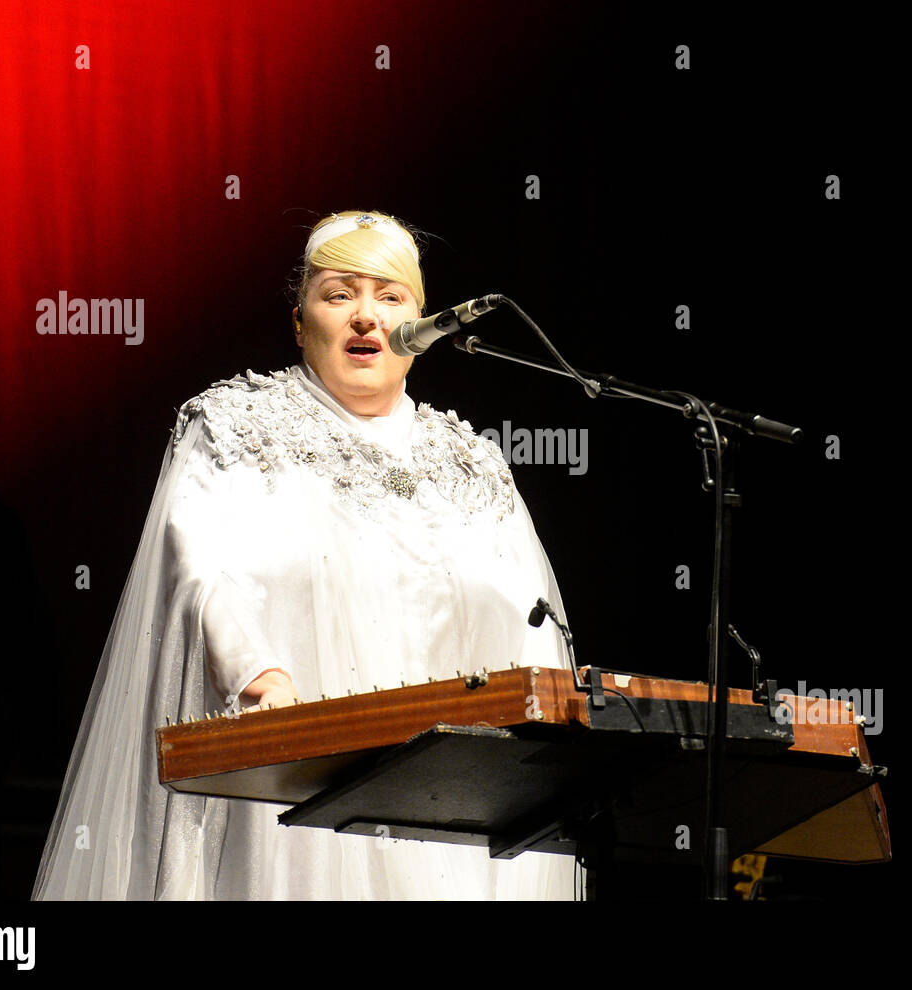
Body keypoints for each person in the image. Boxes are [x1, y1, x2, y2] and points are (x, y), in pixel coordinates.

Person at [33, 210, 580, 899]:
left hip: (452, 801)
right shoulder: (233, 428)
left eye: (390, 297)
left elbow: (529, 624)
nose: (365, 317)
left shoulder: (471, 460)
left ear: (424, 323)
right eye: (338, 293)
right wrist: (263, 682)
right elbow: (202, 568)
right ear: (300, 321)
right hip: (295, 782)